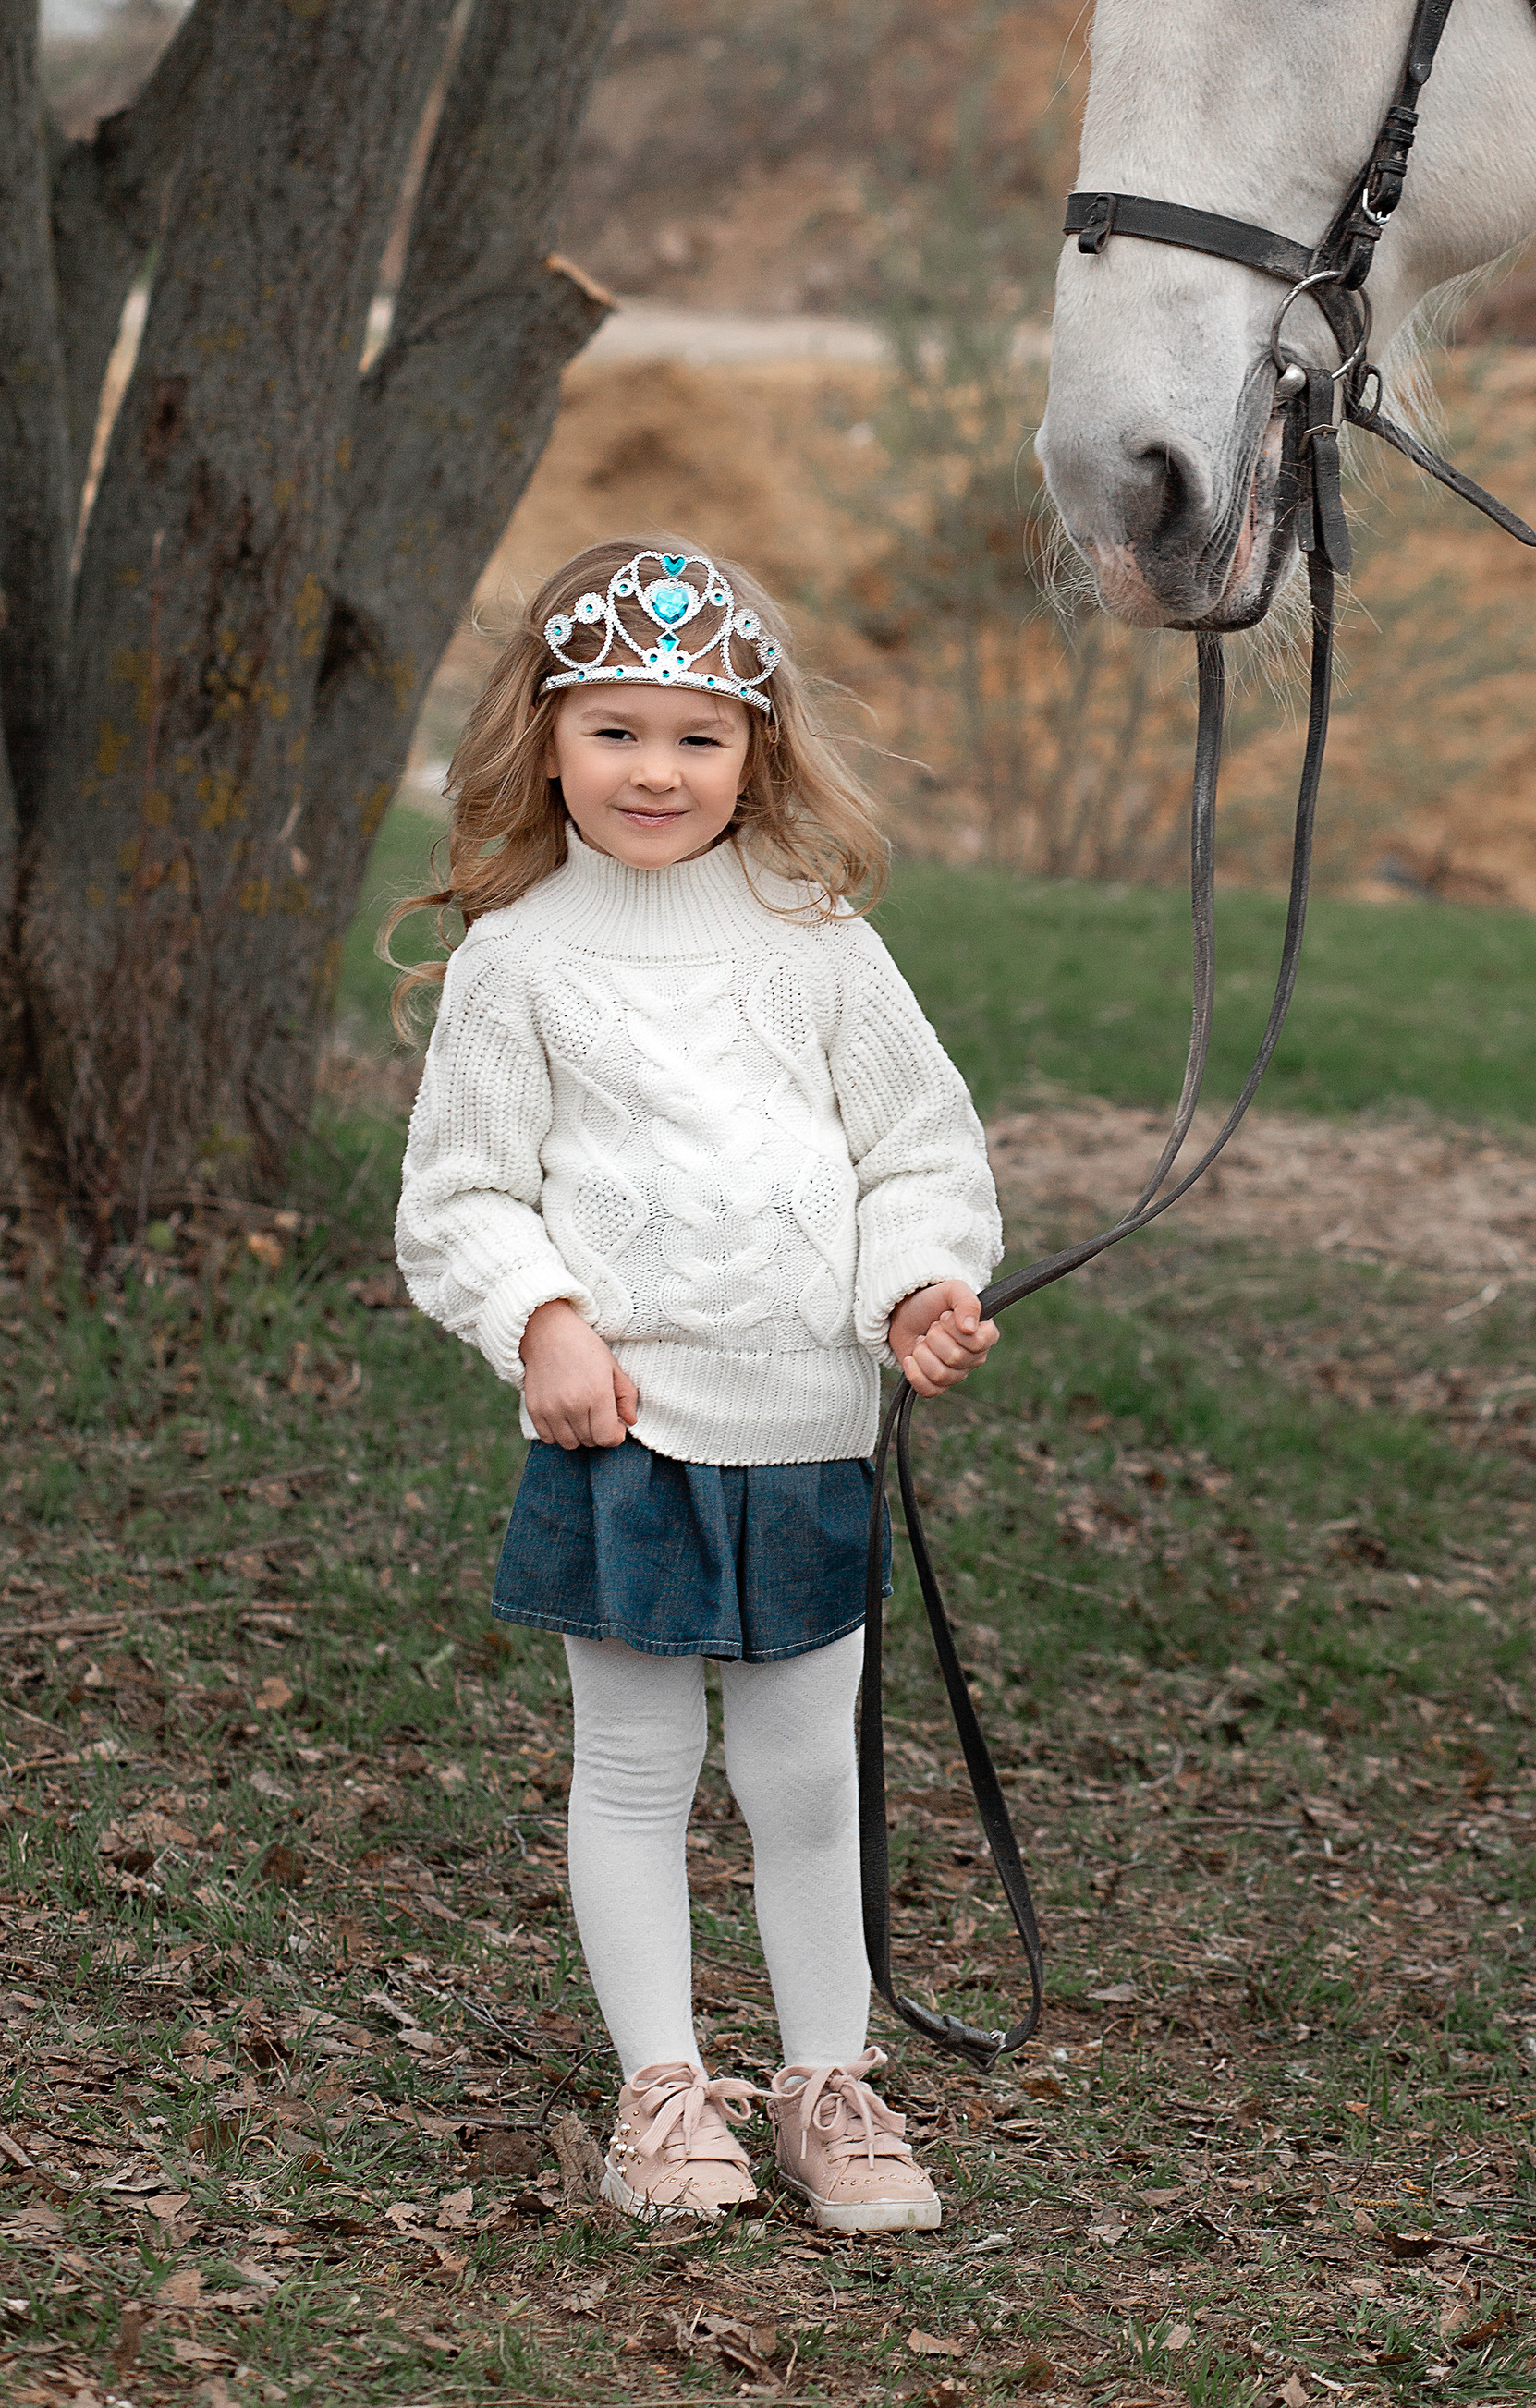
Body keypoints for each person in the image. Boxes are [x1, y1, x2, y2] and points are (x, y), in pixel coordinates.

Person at [387, 536, 999, 2231]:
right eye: (616, 733)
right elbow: (460, 1195)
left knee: (803, 1781)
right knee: (637, 1766)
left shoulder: (816, 941)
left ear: (758, 748)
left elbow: (917, 1149)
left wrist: (918, 1287)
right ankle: (664, 2092)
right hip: (630, 1435)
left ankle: (828, 2087)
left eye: (697, 737)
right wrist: (539, 1318)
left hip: (807, 1429)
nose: (655, 772)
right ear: (546, 738)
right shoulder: (520, 959)